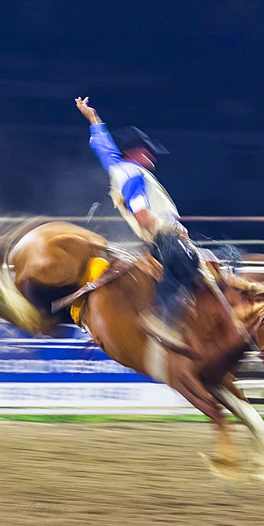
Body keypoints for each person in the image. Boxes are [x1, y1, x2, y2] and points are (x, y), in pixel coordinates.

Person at [75, 96, 200, 351]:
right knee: (188, 261)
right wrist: (170, 230)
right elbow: (142, 214)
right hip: (163, 237)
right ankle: (162, 318)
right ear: (135, 153)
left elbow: (104, 148)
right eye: (146, 150)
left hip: (155, 238)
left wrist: (93, 118)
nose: (151, 155)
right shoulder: (133, 175)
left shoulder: (118, 167)